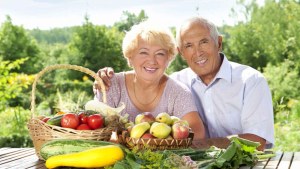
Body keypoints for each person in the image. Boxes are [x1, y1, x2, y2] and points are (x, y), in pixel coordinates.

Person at [94, 17, 275, 150]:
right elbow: (94, 130)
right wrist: (103, 79)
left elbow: (257, 141)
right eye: (189, 46)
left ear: (218, 43)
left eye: (204, 42)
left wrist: (203, 145)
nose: (198, 53)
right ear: (181, 52)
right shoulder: (179, 81)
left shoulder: (250, 81)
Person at [94, 20, 206, 141]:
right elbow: (97, 130)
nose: (152, 61)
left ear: (168, 59)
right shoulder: (111, 84)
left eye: (160, 54)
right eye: (143, 52)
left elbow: (197, 133)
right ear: (130, 57)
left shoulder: (178, 92)